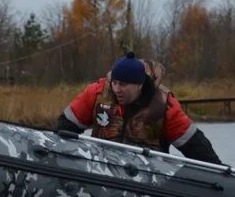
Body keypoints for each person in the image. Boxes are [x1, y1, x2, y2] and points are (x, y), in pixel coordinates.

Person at [56, 52, 222, 164]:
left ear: (139, 85)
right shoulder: (97, 93)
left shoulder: (164, 106)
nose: (117, 89)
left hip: (146, 180)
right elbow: (65, 126)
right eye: (114, 83)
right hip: (101, 170)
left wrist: (220, 173)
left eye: (123, 85)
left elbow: (195, 146)